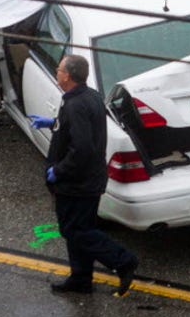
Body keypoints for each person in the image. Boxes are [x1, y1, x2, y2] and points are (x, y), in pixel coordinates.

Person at [28, 54, 138, 295]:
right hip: (91, 178)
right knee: (80, 227)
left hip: (77, 183)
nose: (57, 73)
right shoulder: (89, 96)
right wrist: (54, 123)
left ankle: (123, 260)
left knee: (74, 230)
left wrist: (58, 170)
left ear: (67, 75)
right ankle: (81, 278)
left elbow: (82, 148)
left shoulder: (76, 104)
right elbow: (80, 129)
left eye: (59, 70)